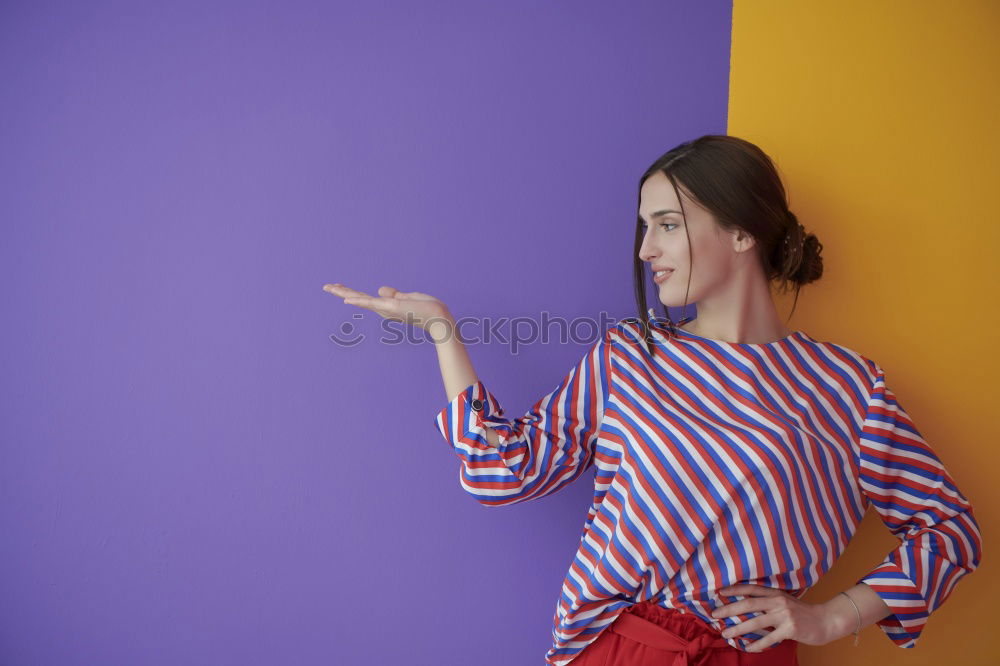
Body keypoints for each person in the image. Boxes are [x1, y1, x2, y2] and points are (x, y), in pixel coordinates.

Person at [322, 134, 983, 665]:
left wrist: (831, 618)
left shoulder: (847, 387)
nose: (647, 250)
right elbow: (504, 470)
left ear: (742, 233)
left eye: (667, 224)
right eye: (645, 227)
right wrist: (443, 331)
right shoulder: (631, 356)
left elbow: (951, 529)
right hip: (622, 646)